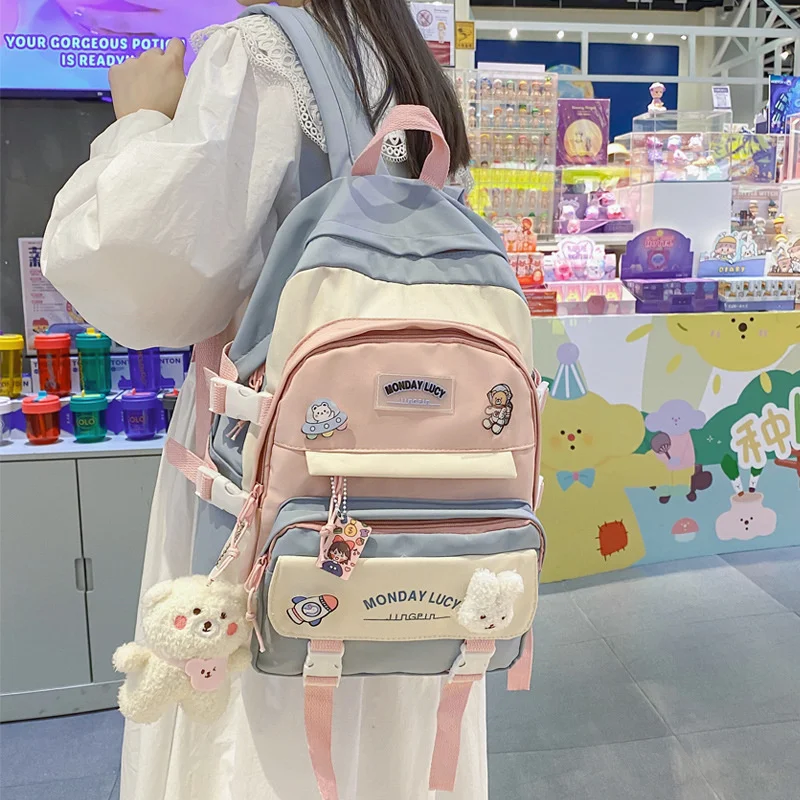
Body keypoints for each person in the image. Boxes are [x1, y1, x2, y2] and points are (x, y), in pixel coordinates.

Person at [42, 2, 485, 799]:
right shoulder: (412, 66)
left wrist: (138, 123)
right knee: (395, 689)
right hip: (420, 476)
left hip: (274, 463)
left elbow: (137, 284)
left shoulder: (254, 56)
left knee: (265, 702)